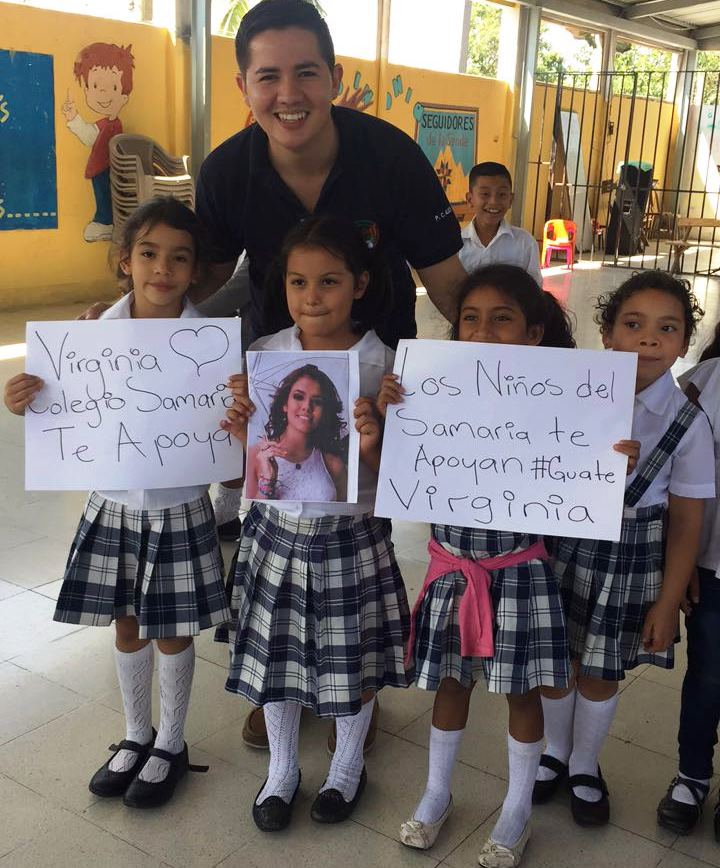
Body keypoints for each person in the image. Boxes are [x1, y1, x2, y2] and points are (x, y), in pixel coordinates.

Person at [4, 197, 233, 808]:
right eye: (149, 253)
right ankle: (136, 734)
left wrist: (241, 415)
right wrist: (24, 396)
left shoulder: (211, 344)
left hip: (180, 504)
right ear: (124, 259)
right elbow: (57, 406)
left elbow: (234, 429)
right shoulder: (87, 334)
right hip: (111, 502)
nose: (163, 269)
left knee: (173, 630)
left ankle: (173, 743)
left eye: (179, 259)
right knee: (126, 624)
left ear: (197, 271)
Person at [218, 215, 411, 831]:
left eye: (328, 281)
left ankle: (346, 763)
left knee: (349, 658)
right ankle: (282, 768)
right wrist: (240, 427)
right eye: (298, 282)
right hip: (273, 533)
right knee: (276, 658)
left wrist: (379, 437)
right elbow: (241, 459)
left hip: (350, 535)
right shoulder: (267, 356)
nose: (311, 296)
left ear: (359, 283)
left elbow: (402, 470)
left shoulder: (386, 362)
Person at [383, 265, 580, 866]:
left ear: (534, 332)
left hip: (520, 573)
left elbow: (580, 480)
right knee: (449, 682)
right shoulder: (432, 389)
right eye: (470, 318)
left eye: (502, 319)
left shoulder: (562, 399)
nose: (484, 331)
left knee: (522, 694)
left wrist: (607, 459)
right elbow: (397, 466)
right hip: (452, 569)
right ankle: (437, 792)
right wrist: (393, 411)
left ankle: (517, 807)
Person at [534, 270, 715, 829]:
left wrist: (666, 601)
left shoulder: (688, 420)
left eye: (667, 328)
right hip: (562, 543)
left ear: (684, 342)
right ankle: (554, 754)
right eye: (632, 325)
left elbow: (688, 520)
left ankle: (586, 765)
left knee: (600, 666)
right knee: (556, 657)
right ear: (607, 333)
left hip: (631, 554)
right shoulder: (566, 394)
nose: (648, 339)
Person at [656, 326, 720, 839]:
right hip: (714, 569)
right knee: (708, 676)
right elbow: (685, 495)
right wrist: (686, 567)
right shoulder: (701, 385)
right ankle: (692, 775)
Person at [246, 363, 347, 501]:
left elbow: (342, 515)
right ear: (284, 404)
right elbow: (252, 511)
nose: (307, 407)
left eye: (317, 402)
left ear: (325, 411)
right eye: (299, 397)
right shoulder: (255, 454)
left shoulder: (333, 464)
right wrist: (268, 483)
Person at [458, 162, 543, 286]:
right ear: (470, 199)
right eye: (485, 194)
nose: (493, 202)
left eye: (502, 194)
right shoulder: (456, 246)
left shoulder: (525, 243)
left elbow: (534, 291)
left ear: (511, 200)